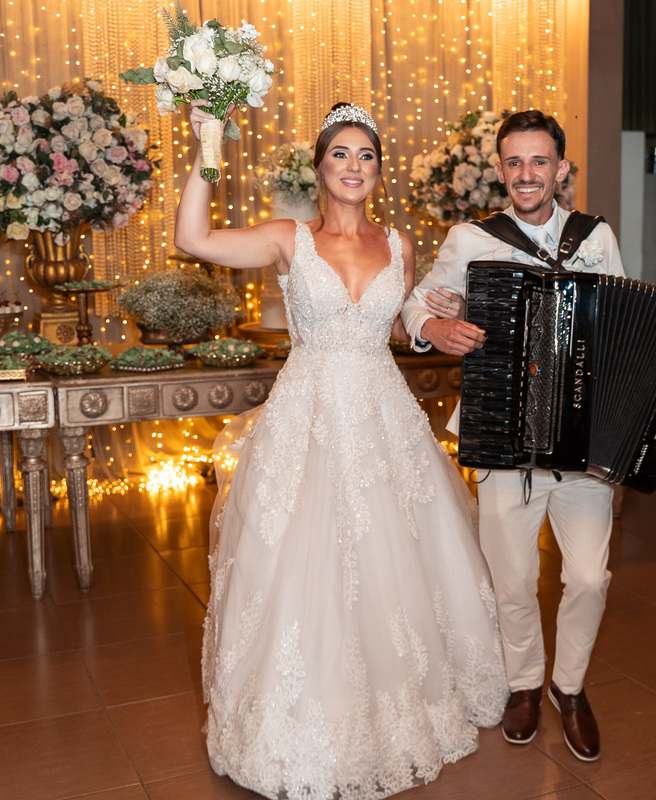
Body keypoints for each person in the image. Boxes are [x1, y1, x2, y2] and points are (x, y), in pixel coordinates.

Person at [174, 100, 508, 800]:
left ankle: (400, 712)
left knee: (399, 560)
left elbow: (407, 315)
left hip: (384, 413)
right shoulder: (287, 239)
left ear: (377, 170)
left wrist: (430, 321)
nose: (354, 167)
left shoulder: (400, 243)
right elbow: (193, 237)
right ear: (321, 168)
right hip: (310, 416)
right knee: (303, 563)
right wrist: (207, 138)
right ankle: (303, 726)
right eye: (340, 154)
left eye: (367, 156)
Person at [401, 109, 656, 763]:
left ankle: (569, 688)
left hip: (584, 443)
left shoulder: (595, 236)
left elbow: (635, 338)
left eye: (539, 161)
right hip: (502, 434)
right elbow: (414, 305)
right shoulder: (470, 239)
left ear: (561, 169)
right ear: (500, 170)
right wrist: (435, 329)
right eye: (514, 162)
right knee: (512, 583)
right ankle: (523, 684)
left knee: (590, 578)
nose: (526, 174)